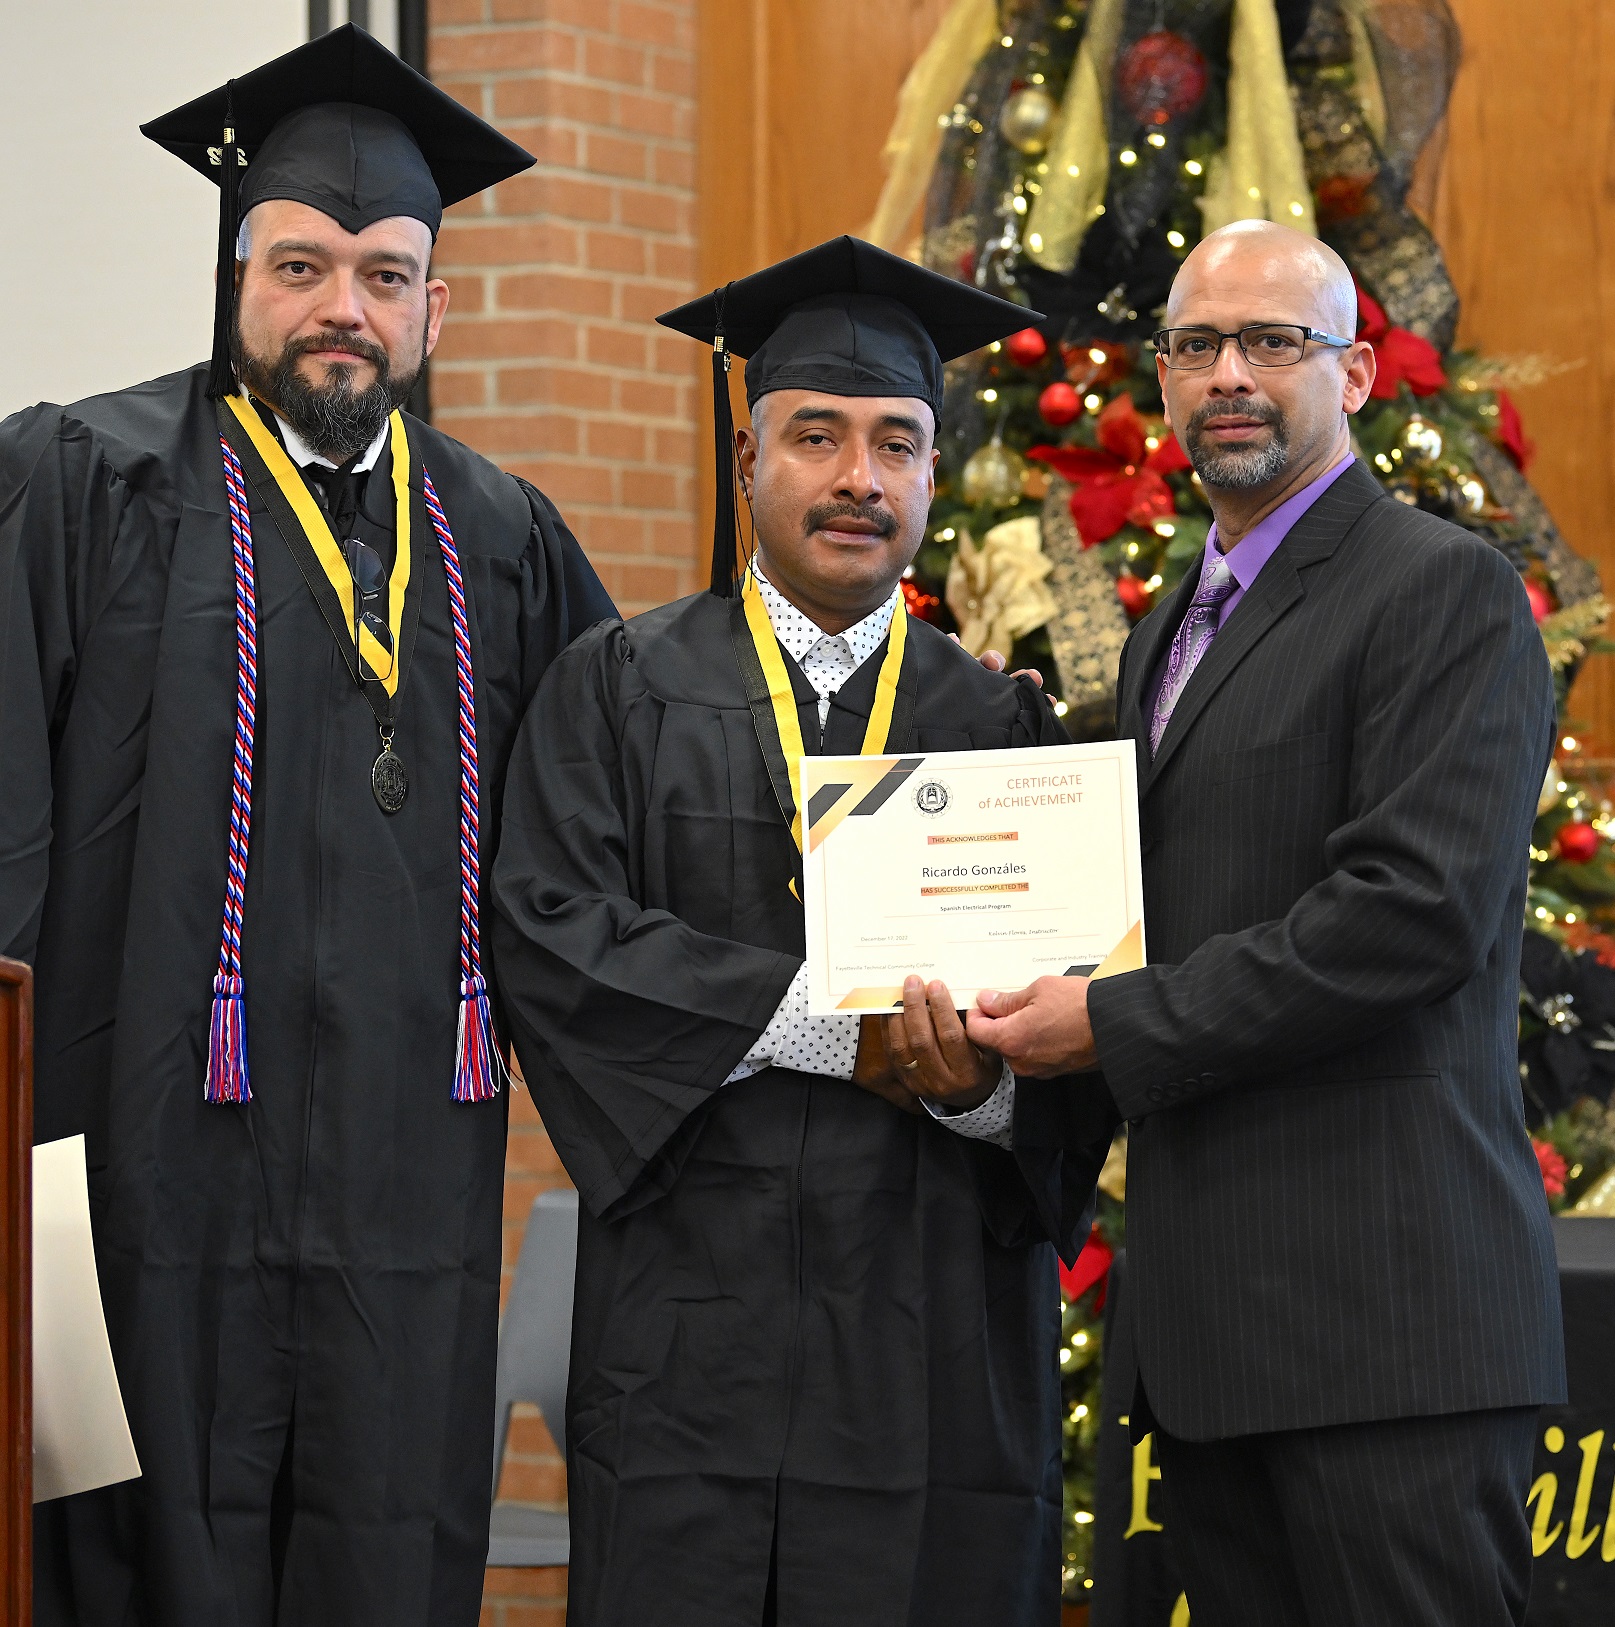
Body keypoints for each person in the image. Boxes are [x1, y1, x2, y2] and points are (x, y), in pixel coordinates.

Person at [0, 26, 613, 1627]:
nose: (346, 303)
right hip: (138, 1169)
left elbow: (593, 846)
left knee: (385, 1538)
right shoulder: (87, 482)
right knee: (126, 1551)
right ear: (237, 273)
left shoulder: (501, 540)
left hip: (405, 1197)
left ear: (434, 303)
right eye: (304, 263)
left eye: (386, 272)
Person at [491, 236, 1112, 1627]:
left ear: (933, 479)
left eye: (897, 445)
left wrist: (978, 1082)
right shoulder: (619, 687)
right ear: (750, 457)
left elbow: (1079, 1024)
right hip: (690, 1340)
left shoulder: (1000, 722)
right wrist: (843, 1031)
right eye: (817, 436)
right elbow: (554, 935)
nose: (857, 479)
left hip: (929, 1339)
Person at [967, 219, 1565, 1626]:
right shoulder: (1188, 609)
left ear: (1355, 371)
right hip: (1214, 1335)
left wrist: (1102, 1022)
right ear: (1163, 380)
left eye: (1272, 342)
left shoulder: (1443, 589)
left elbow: (1408, 916)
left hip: (1387, 1334)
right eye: (1195, 346)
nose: (1229, 373)